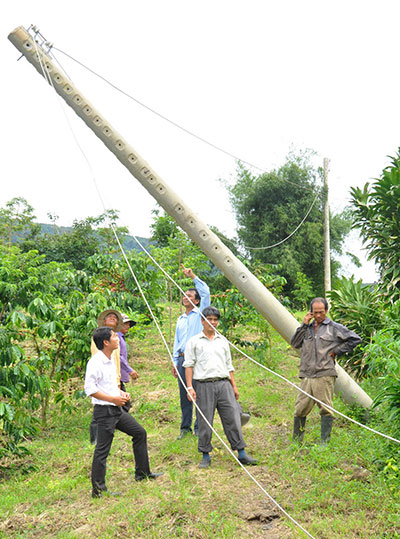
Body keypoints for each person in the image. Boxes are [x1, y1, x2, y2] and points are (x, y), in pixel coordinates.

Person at [84, 326, 163, 498]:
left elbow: (108, 386)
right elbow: (89, 389)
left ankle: (142, 473)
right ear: (106, 342)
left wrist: (120, 394)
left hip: (116, 410)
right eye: (113, 336)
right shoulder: (95, 362)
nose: (117, 338)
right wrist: (113, 399)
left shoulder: (110, 359)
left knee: (140, 433)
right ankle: (98, 490)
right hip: (104, 412)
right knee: (102, 450)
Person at [183, 306, 257, 469]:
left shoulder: (222, 341)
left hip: (224, 384)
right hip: (204, 385)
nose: (212, 322)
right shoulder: (194, 342)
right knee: (205, 420)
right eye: (209, 319)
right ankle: (205, 455)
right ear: (202, 321)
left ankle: (241, 452)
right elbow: (188, 365)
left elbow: (229, 365)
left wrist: (234, 386)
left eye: (215, 320)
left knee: (232, 417)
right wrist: (190, 387)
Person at [291, 297, 361, 444]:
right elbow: (295, 343)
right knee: (300, 409)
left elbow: (355, 339)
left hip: (325, 373)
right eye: (315, 312)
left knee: (326, 408)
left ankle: (324, 443)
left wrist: (337, 351)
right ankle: (297, 443)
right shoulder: (307, 328)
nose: (318, 316)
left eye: (321, 312)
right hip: (307, 374)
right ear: (310, 312)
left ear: (326, 311)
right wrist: (303, 325)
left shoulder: (334, 328)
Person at [172, 264, 210, 439]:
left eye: (190, 295)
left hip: (196, 359)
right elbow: (177, 342)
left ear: (196, 301)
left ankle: (198, 427)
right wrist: (174, 361)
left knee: (199, 392)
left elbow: (206, 293)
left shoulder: (200, 314)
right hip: (181, 359)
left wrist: (193, 276)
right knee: (184, 393)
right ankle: (184, 427)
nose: (185, 297)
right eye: (184, 295)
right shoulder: (181, 319)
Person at [89, 309, 123, 444]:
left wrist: (118, 379)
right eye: (109, 317)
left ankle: (109, 430)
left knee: (114, 406)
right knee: (101, 407)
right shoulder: (99, 338)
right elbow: (100, 358)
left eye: (115, 318)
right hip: (103, 377)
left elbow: (116, 361)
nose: (112, 318)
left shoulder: (116, 340)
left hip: (114, 377)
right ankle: (97, 437)